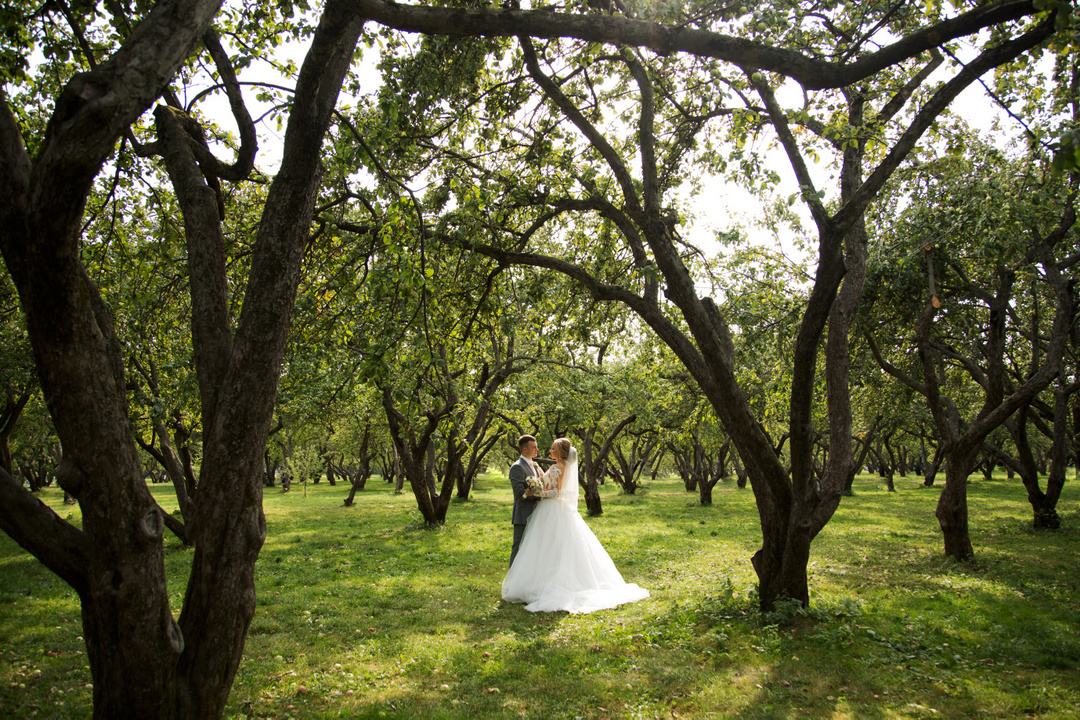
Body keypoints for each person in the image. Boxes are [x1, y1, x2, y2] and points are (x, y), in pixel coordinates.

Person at [502, 437, 649, 613]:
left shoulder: (556, 467)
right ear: (525, 450)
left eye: (552, 448)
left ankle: (537, 584)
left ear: (560, 452)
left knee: (549, 548)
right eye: (535, 447)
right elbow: (532, 488)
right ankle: (523, 583)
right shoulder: (530, 466)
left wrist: (540, 494)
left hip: (550, 509)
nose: (547, 451)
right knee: (536, 547)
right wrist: (539, 485)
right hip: (541, 511)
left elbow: (555, 490)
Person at [508, 434, 542, 568]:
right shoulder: (517, 467)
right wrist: (526, 493)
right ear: (524, 450)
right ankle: (512, 580)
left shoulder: (534, 465)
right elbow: (519, 493)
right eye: (534, 447)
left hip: (536, 513)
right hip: (523, 514)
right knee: (518, 547)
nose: (537, 450)